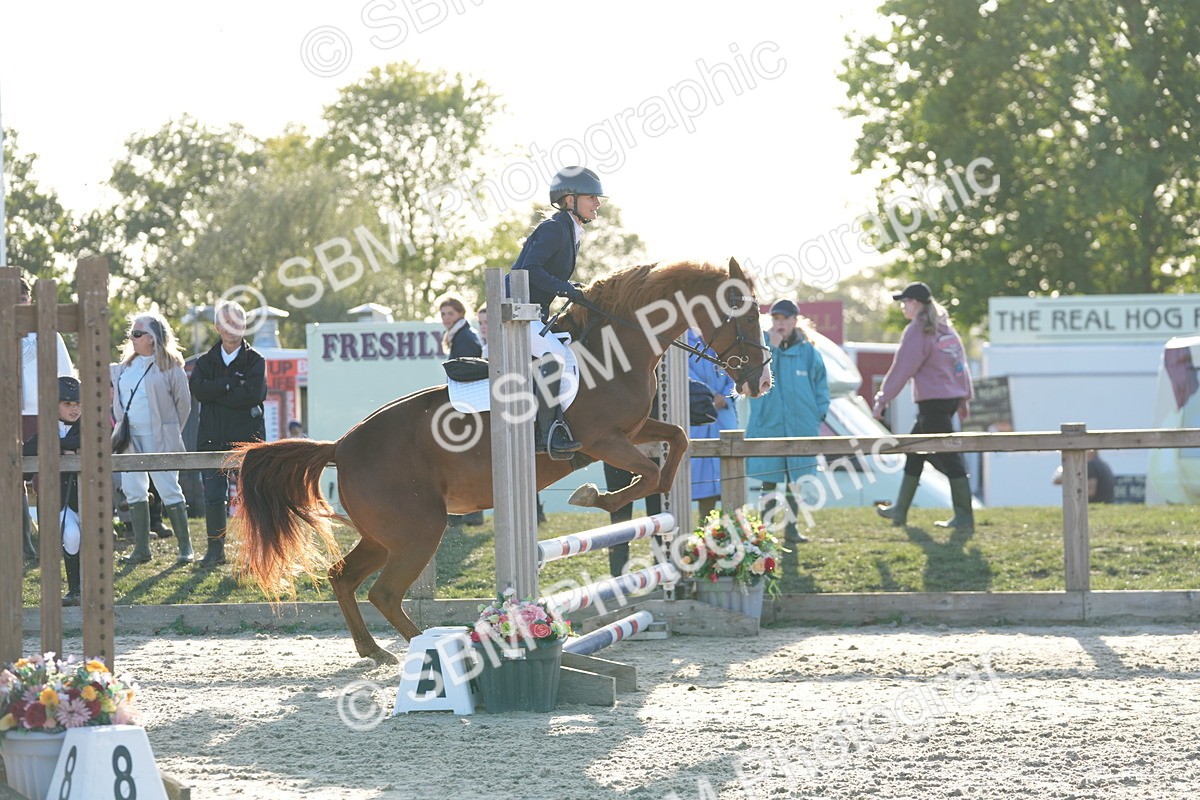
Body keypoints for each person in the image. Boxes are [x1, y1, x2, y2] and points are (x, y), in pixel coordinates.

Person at [508, 166, 604, 459]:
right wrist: (564, 289)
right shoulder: (553, 228)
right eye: (591, 197)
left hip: (532, 313)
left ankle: (556, 423)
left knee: (567, 355)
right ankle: (546, 432)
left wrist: (571, 288)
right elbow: (529, 270)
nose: (597, 203)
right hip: (516, 313)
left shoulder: (569, 229)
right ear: (570, 199)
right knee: (556, 357)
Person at [873, 282, 975, 530]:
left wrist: (882, 400)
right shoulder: (946, 330)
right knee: (914, 450)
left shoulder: (918, 330)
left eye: (904, 302)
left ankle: (964, 516)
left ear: (915, 304)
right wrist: (963, 398)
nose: (903, 307)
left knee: (949, 457)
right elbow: (960, 365)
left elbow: (901, 370)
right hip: (947, 402)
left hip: (932, 403)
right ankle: (900, 511)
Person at [189, 301, 268, 568]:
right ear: (216, 327)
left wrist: (216, 392)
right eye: (226, 322)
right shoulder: (204, 361)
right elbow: (199, 392)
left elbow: (253, 395)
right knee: (213, 496)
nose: (232, 327)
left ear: (244, 325)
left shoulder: (255, 360)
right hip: (211, 439)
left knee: (251, 496)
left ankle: (252, 551)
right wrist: (230, 384)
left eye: (238, 321)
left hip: (248, 439)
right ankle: (215, 550)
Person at [746, 300, 830, 544]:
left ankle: (792, 530)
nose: (779, 324)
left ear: (795, 320)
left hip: (801, 426)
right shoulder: (760, 348)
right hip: (769, 424)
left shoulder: (809, 351)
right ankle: (765, 532)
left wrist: (819, 414)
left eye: (784, 319)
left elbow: (821, 387)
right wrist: (771, 350)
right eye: (775, 319)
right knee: (769, 480)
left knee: (796, 480)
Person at [113, 311, 193, 565]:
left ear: (152, 337)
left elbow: (184, 406)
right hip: (129, 437)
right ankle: (141, 548)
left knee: (169, 488)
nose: (132, 338)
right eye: (131, 333)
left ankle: (185, 547)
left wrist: (170, 429)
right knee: (133, 489)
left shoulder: (170, 366)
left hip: (159, 437)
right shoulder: (126, 365)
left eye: (137, 333)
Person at [18, 277, 75, 562]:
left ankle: (49, 542)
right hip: (10, 415)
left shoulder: (49, 334)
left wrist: (63, 419)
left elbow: (65, 377)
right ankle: (22, 544)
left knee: (46, 479)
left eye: (22, 299)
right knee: (12, 479)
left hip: (43, 413)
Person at [22, 377, 83, 605]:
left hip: (89, 499)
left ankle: (89, 588)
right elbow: (28, 448)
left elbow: (89, 440)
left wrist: (54, 445)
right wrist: (64, 447)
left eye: (77, 403)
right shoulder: (46, 428)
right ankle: (75, 589)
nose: (74, 408)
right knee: (71, 536)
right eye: (67, 404)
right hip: (58, 500)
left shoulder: (91, 424)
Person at [687, 329, 737, 520]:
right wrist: (707, 396)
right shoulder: (681, 339)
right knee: (702, 481)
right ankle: (704, 533)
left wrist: (725, 395)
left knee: (730, 480)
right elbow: (684, 372)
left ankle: (731, 535)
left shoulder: (724, 335)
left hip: (724, 417)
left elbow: (736, 369)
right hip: (697, 415)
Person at [438, 295, 483, 360]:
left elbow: (466, 369)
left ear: (461, 313)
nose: (446, 318)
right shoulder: (459, 335)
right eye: (443, 314)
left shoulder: (465, 338)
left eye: (450, 313)